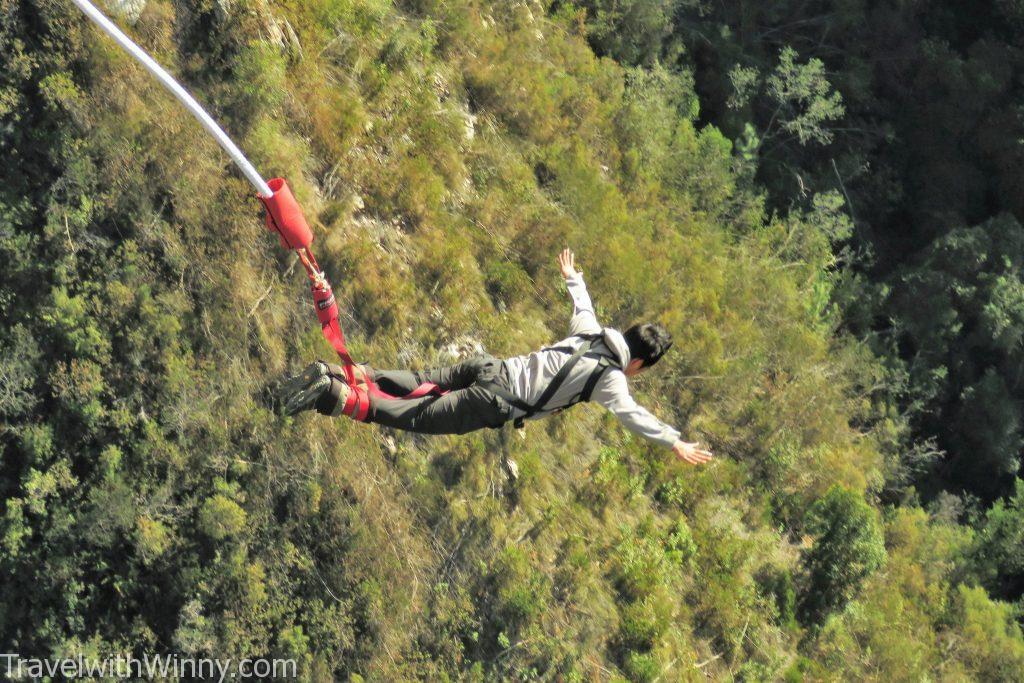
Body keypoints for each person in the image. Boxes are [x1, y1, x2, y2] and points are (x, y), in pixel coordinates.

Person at [279, 249, 713, 465]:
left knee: (417, 381)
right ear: (638, 365)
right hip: (493, 401)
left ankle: (335, 373)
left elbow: (583, 304)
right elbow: (632, 415)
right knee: (410, 415)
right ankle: (331, 392)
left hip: (489, 366)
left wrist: (573, 276)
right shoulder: (611, 378)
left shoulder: (593, 332)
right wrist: (672, 440)